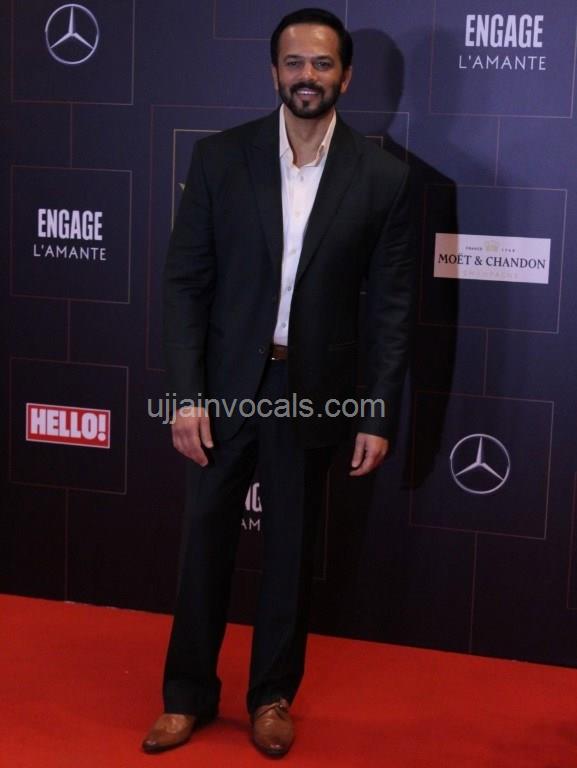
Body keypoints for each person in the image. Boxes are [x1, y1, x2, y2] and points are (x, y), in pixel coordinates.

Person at [142, 7, 413, 758]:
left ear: (345, 77)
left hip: (317, 390)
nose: (306, 76)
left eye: (322, 63)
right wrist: (187, 393)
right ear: (273, 72)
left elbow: (392, 309)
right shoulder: (220, 158)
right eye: (293, 62)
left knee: (291, 554)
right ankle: (185, 697)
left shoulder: (384, 179)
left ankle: (270, 698)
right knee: (203, 546)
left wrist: (377, 413)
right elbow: (185, 285)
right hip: (225, 386)